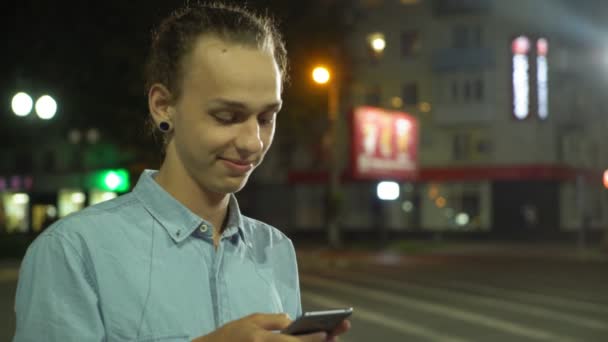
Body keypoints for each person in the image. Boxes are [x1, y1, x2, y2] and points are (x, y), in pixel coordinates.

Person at [13, 2, 350, 341]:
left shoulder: (275, 248)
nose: (253, 142)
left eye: (266, 118)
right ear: (163, 105)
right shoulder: (74, 251)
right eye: (227, 116)